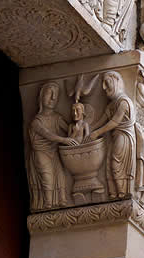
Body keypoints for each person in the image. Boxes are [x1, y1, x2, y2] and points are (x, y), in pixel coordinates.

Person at [27, 82, 77, 210]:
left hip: (54, 152)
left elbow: (69, 130)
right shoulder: (36, 121)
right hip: (41, 152)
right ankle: (47, 204)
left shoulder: (57, 118)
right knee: (47, 176)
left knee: (60, 175)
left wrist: (78, 124)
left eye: (56, 95)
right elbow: (47, 134)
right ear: (41, 96)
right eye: (50, 93)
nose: (53, 98)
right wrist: (64, 140)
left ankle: (62, 201)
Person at [88, 71, 135, 198]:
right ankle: (114, 191)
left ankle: (122, 191)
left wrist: (97, 132)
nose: (104, 87)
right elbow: (103, 120)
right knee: (109, 164)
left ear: (116, 82)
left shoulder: (123, 102)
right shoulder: (112, 104)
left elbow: (114, 122)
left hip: (123, 137)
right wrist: (89, 128)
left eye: (107, 83)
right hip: (114, 137)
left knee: (116, 163)